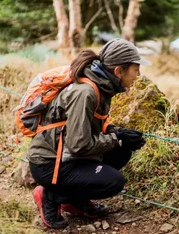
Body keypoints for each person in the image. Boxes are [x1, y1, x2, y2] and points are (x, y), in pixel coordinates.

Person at [28, 38, 150, 229]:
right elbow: (79, 144)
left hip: (66, 154)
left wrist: (120, 134)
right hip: (49, 163)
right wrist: (116, 139)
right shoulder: (86, 92)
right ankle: (50, 196)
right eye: (136, 69)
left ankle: (75, 201)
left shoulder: (102, 86)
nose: (138, 75)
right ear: (119, 71)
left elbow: (90, 128)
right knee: (113, 182)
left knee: (122, 150)